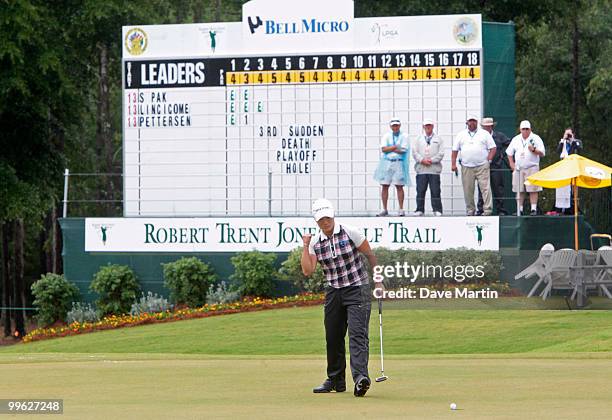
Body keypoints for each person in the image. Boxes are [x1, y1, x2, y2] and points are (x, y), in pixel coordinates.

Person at [301, 198, 380, 397]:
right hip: (334, 291)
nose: (325, 222)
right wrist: (305, 245)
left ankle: (361, 378)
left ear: (333, 215)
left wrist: (378, 281)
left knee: (357, 334)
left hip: (357, 288)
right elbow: (308, 270)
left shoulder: (350, 232)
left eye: (327, 218)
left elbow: (370, 255)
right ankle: (336, 380)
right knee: (333, 337)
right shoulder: (315, 242)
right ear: (316, 221)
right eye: (321, 219)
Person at [451, 114, 497, 216]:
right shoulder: (461, 135)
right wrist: (453, 164)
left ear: (477, 122)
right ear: (467, 123)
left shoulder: (484, 134)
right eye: (470, 121)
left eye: (474, 121)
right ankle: (470, 210)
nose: (472, 123)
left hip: (482, 166)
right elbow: (454, 150)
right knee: (468, 190)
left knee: (485, 188)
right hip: (466, 166)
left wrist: (488, 160)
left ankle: (487, 210)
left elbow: (493, 148)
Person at [506, 120, 545, 216]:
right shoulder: (516, 139)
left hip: (532, 167)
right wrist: (512, 164)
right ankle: (520, 209)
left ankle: (533, 209)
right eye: (523, 129)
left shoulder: (535, 138)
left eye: (527, 129)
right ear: (520, 129)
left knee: (533, 189)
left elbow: (543, 153)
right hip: (519, 168)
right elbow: (509, 152)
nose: (525, 131)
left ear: (530, 129)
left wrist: (534, 150)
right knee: (519, 189)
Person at [374, 118, 410, 216]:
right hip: (387, 162)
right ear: (390, 126)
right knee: (384, 185)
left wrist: (390, 148)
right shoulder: (386, 136)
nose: (395, 127)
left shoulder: (404, 136)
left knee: (399, 186)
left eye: (397, 125)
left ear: (399, 125)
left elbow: (403, 150)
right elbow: (384, 149)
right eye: (393, 125)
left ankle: (401, 209)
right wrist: (395, 147)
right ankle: (384, 209)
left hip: (398, 162)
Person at [476, 117, 511, 215]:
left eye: (488, 126)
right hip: (482, 167)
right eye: (485, 126)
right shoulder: (478, 137)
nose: (486, 128)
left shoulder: (499, 136)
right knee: (482, 189)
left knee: (498, 188)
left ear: (491, 126)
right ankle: (481, 209)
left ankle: (501, 210)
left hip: (496, 166)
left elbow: (510, 144)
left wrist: (502, 155)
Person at [411, 118, 444, 216]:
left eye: (430, 125)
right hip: (421, 170)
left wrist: (431, 160)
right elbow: (414, 152)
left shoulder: (439, 139)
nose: (428, 127)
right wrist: (422, 160)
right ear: (423, 127)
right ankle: (419, 209)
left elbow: (441, 153)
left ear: (433, 126)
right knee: (420, 191)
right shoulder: (418, 139)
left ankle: (437, 210)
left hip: (434, 170)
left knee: (435, 191)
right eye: (426, 126)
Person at [548, 128, 583, 215]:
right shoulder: (562, 142)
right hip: (563, 168)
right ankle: (560, 208)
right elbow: (558, 151)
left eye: (569, 134)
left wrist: (573, 141)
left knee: (574, 188)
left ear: (573, 134)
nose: (568, 136)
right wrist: (563, 140)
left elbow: (580, 150)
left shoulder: (577, 142)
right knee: (562, 188)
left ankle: (574, 207)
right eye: (567, 134)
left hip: (573, 167)